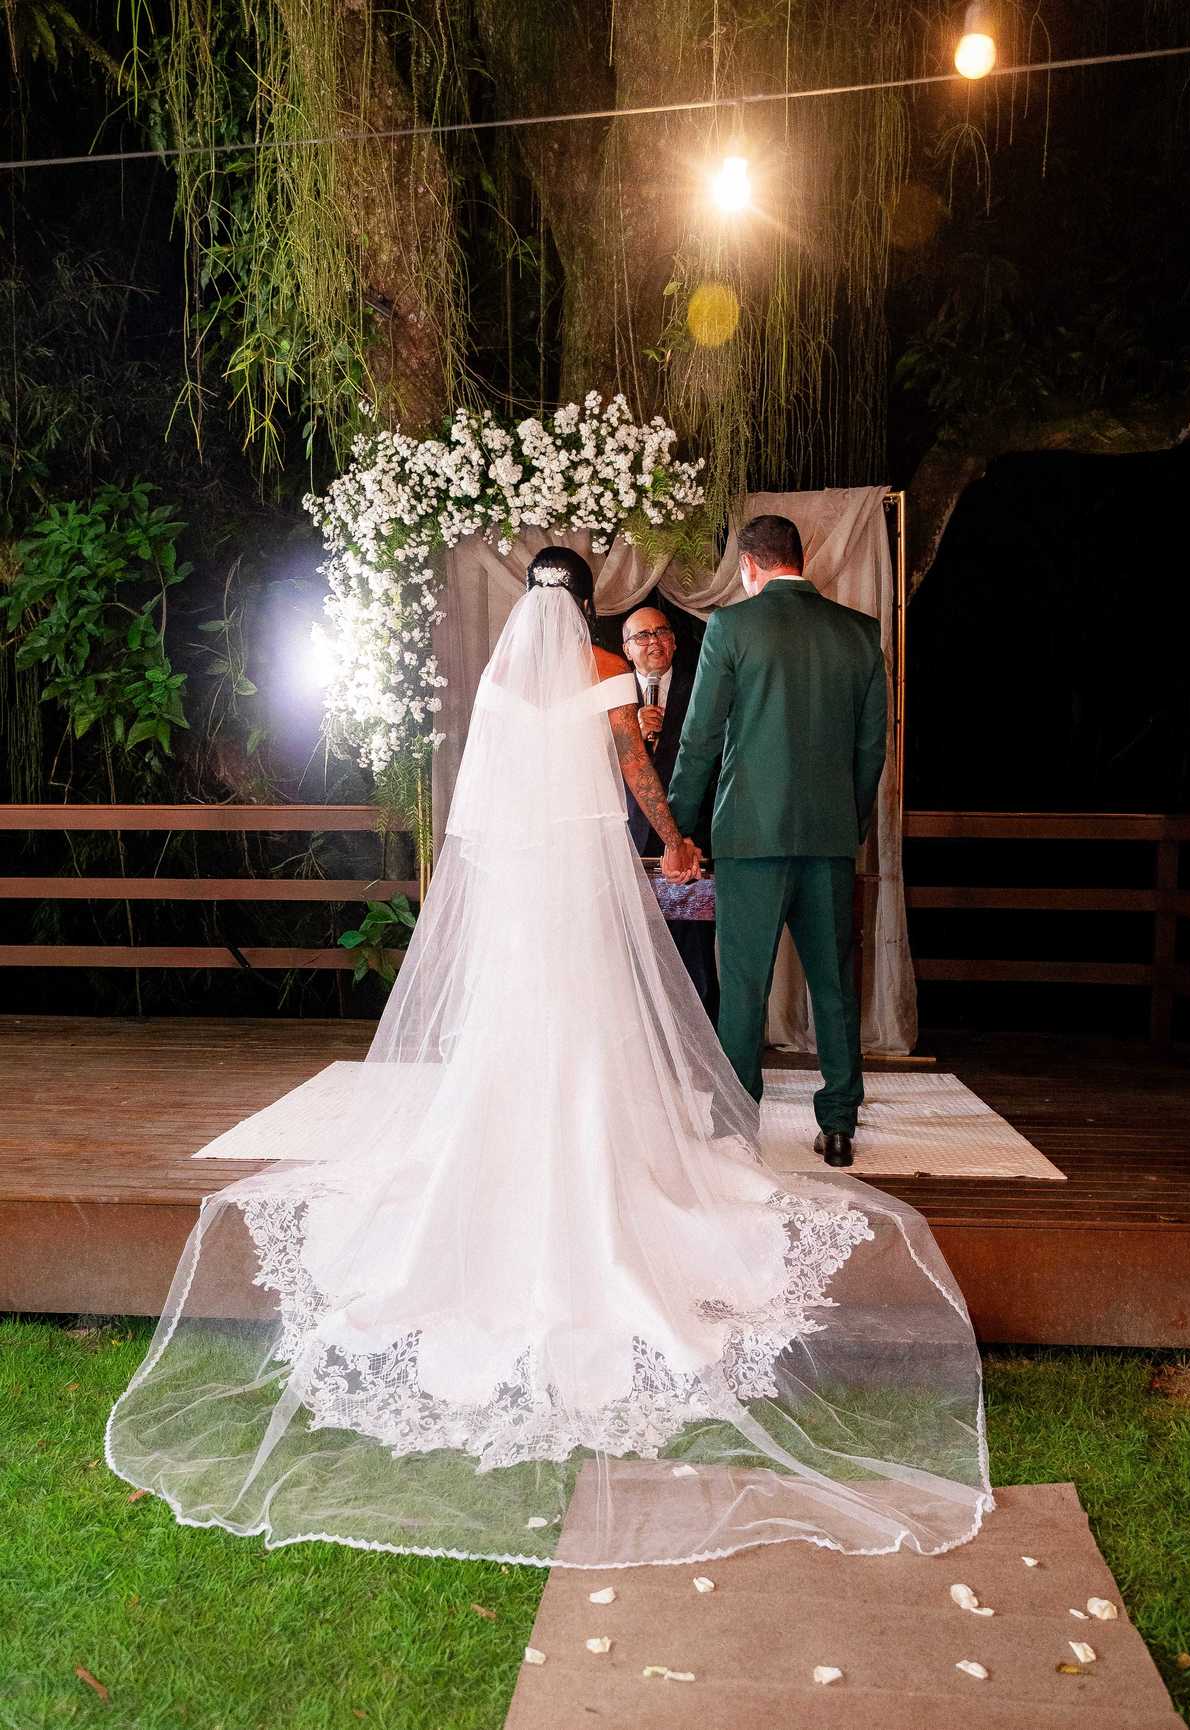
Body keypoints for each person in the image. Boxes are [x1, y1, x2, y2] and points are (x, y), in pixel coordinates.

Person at [106, 545, 988, 1572]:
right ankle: (597, 1166)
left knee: (511, 1026)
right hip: (581, 884)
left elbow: (479, 800)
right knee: (596, 1020)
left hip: (518, 889)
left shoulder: (501, 679)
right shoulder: (602, 670)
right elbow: (635, 768)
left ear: (529, 598)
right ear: (589, 602)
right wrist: (673, 838)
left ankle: (499, 1162)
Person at [670, 514, 888, 1170]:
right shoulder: (859, 632)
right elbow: (870, 749)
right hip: (829, 835)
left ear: (749, 565)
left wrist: (678, 826)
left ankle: (737, 1125)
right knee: (834, 984)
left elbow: (701, 736)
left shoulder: (731, 627)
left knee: (744, 986)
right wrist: (848, 824)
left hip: (750, 835)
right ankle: (839, 1123)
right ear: (800, 556)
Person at [620, 604, 719, 1021]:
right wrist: (633, 736)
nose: (653, 642)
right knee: (631, 954)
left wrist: (690, 837)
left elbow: (717, 765)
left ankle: (701, 1043)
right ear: (627, 649)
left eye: (661, 633)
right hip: (627, 843)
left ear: (675, 642)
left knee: (694, 954)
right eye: (642, 636)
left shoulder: (702, 689)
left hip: (688, 843)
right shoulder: (613, 694)